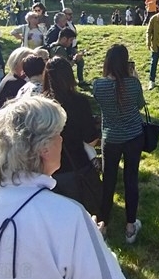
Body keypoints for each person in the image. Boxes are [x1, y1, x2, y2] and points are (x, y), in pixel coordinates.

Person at [0, 97, 125, 278]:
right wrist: (93, 239)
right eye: (58, 134)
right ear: (44, 148)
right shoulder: (70, 216)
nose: (61, 140)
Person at [92, 44, 146, 243]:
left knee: (109, 181)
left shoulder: (98, 85)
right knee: (131, 179)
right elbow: (140, 104)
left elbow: (100, 101)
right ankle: (130, 225)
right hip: (133, 135)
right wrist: (135, 76)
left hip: (111, 137)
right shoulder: (133, 84)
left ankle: (103, 223)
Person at [42, 57, 101, 215]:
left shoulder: (40, 104)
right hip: (76, 165)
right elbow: (91, 139)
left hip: (46, 170)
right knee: (82, 213)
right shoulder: (79, 102)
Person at [62, 8, 88, 86]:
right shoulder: (64, 24)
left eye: (71, 14)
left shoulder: (71, 23)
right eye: (69, 14)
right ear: (64, 15)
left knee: (80, 62)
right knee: (71, 64)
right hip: (68, 48)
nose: (71, 16)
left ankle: (80, 80)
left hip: (73, 47)